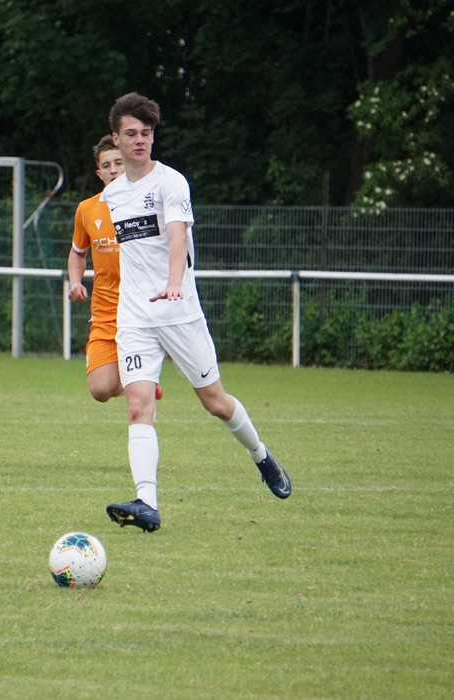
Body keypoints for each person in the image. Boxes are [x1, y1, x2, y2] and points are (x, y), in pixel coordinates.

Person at [100, 92, 291, 532]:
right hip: (135, 317)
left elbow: (176, 236)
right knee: (137, 405)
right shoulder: (112, 195)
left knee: (216, 403)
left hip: (179, 312)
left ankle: (261, 455)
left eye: (147, 133)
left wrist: (173, 282)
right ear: (117, 138)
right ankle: (147, 503)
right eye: (131, 133)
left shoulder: (171, 182)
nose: (140, 140)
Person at [68, 135, 161, 403]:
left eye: (118, 162)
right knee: (100, 390)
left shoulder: (147, 204)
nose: (113, 170)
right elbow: (77, 252)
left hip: (141, 309)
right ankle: (143, 381)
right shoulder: (87, 209)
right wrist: (75, 282)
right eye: (106, 165)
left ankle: (144, 381)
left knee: (138, 394)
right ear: (99, 173)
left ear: (128, 162)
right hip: (105, 312)